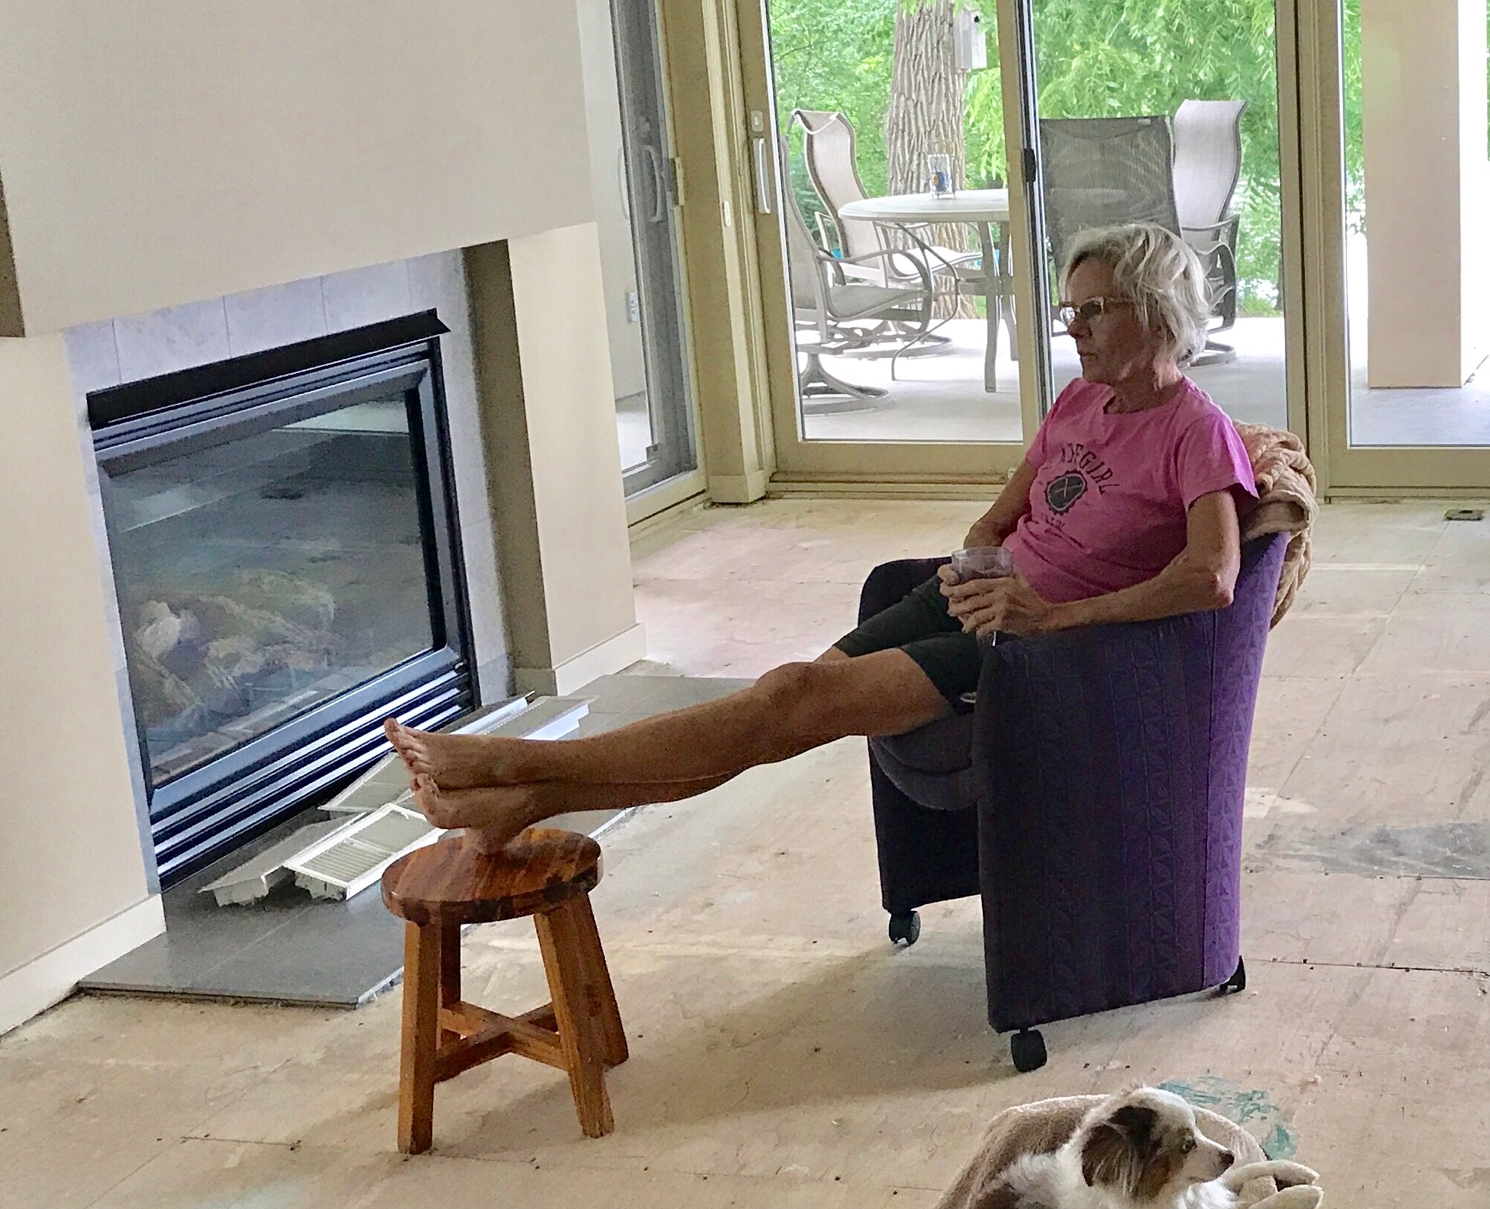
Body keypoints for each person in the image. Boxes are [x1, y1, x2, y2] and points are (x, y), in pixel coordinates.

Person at [388, 223, 1257, 847]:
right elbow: (998, 517)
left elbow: (1212, 577)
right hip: (977, 604)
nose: (1073, 327)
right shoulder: (1077, 401)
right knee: (779, 708)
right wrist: (978, 568)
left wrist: (1050, 617)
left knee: (789, 701)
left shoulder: (1196, 431)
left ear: (1157, 312)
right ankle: (528, 799)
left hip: (1035, 651)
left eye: (1095, 309)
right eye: (1071, 309)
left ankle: (512, 766)